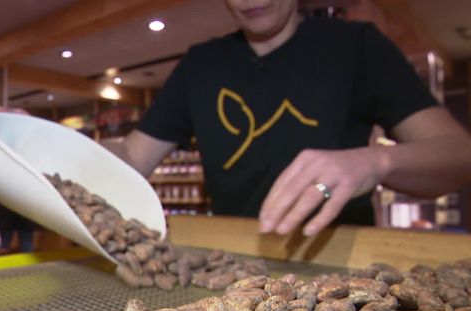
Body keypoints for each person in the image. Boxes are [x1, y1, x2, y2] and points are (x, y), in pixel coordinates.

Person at [101, 0, 471, 236]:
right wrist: (59, 154)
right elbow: (133, 158)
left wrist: (376, 161)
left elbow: (458, 155)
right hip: (233, 262)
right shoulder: (200, 64)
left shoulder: (356, 45)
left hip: (342, 265)